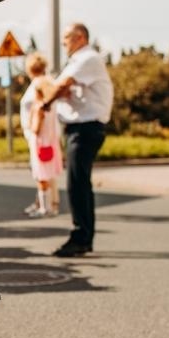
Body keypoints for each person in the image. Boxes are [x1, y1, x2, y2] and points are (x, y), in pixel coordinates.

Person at [41, 22, 114, 257]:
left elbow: (61, 85)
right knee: (80, 183)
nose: (63, 42)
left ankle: (81, 237)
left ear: (80, 37)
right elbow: (62, 88)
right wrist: (57, 93)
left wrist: (44, 105)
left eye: (66, 37)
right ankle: (83, 236)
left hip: (86, 128)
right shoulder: (78, 61)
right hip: (80, 128)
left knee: (77, 184)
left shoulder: (87, 58)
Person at [19, 52, 63, 217]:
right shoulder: (49, 82)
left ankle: (46, 207)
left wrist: (32, 130)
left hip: (39, 136)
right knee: (45, 171)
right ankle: (44, 204)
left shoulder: (39, 85)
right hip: (49, 135)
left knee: (41, 172)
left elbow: (37, 111)